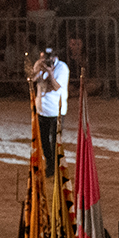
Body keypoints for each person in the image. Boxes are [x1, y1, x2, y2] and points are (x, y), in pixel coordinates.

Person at [30, 43, 70, 171]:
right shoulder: (38, 64)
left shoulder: (62, 68)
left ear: (55, 57)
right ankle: (49, 162)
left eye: (48, 58)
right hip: (41, 109)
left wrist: (50, 73)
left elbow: (56, 86)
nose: (46, 61)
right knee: (43, 140)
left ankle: (54, 166)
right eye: (43, 58)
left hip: (56, 110)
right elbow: (31, 80)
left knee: (55, 140)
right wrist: (38, 71)